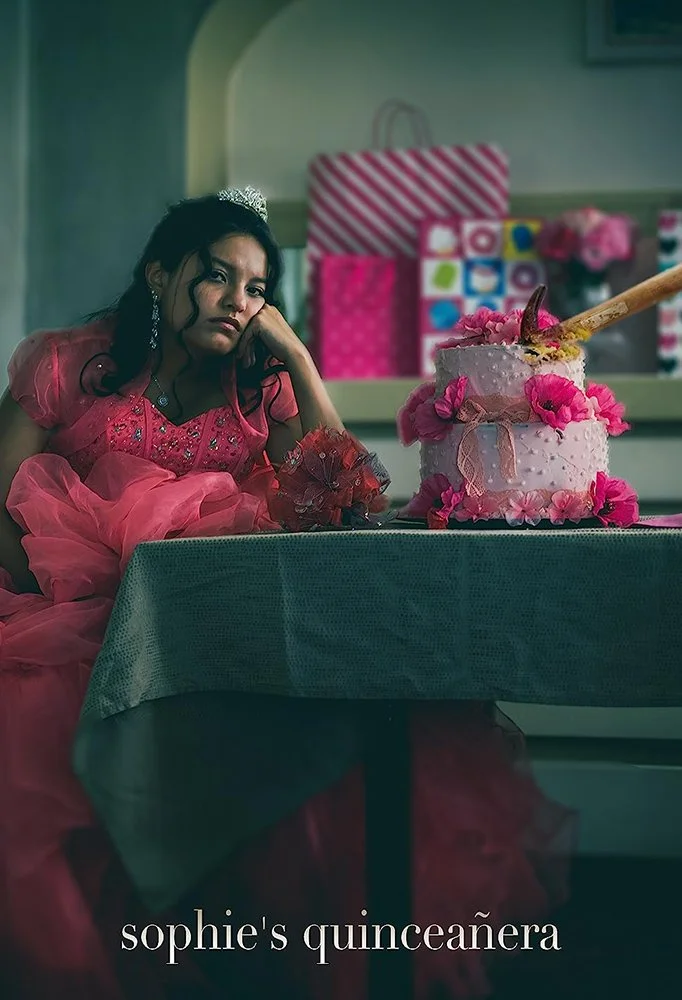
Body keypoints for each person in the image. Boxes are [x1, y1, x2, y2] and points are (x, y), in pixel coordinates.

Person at [0, 188, 574, 999]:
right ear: (160, 275)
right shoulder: (69, 364)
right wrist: (45, 595)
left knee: (345, 715)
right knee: (36, 721)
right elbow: (0, 501)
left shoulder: (259, 385)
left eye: (258, 288)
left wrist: (297, 359)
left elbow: (354, 496)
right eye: (217, 277)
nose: (240, 302)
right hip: (73, 617)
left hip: (216, 625)